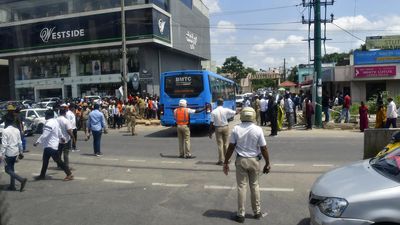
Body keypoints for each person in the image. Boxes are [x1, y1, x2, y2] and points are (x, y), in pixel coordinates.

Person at [222, 107, 271, 223]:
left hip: (241, 161)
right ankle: (257, 212)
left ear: (242, 116)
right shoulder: (258, 130)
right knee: (255, 186)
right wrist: (267, 163)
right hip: (254, 161)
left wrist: (225, 162)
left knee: (241, 187)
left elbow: (231, 147)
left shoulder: (236, 129)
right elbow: (263, 148)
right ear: (253, 116)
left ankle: (241, 214)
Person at [33, 109, 73, 181]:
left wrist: (37, 142)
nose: (45, 116)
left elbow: (45, 135)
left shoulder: (49, 123)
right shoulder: (55, 122)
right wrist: (62, 138)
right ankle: (42, 175)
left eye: (45, 114)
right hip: (49, 145)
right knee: (45, 161)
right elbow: (59, 131)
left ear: (48, 115)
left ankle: (69, 174)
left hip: (50, 146)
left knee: (58, 161)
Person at [0, 116, 28, 192]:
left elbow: (4, 144)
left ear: (6, 122)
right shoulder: (17, 130)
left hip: (8, 153)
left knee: (7, 170)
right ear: (13, 122)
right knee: (11, 169)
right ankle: (12, 186)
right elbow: (20, 142)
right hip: (15, 152)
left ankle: (21, 180)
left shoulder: (5, 131)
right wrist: (21, 152)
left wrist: (1, 154)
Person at [209, 98, 236, 165]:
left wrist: (210, 132)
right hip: (225, 127)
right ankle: (227, 159)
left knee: (220, 145)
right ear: (222, 103)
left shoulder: (213, 112)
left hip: (218, 128)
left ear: (216, 103)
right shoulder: (226, 110)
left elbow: (211, 123)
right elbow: (235, 112)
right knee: (226, 144)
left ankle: (221, 160)